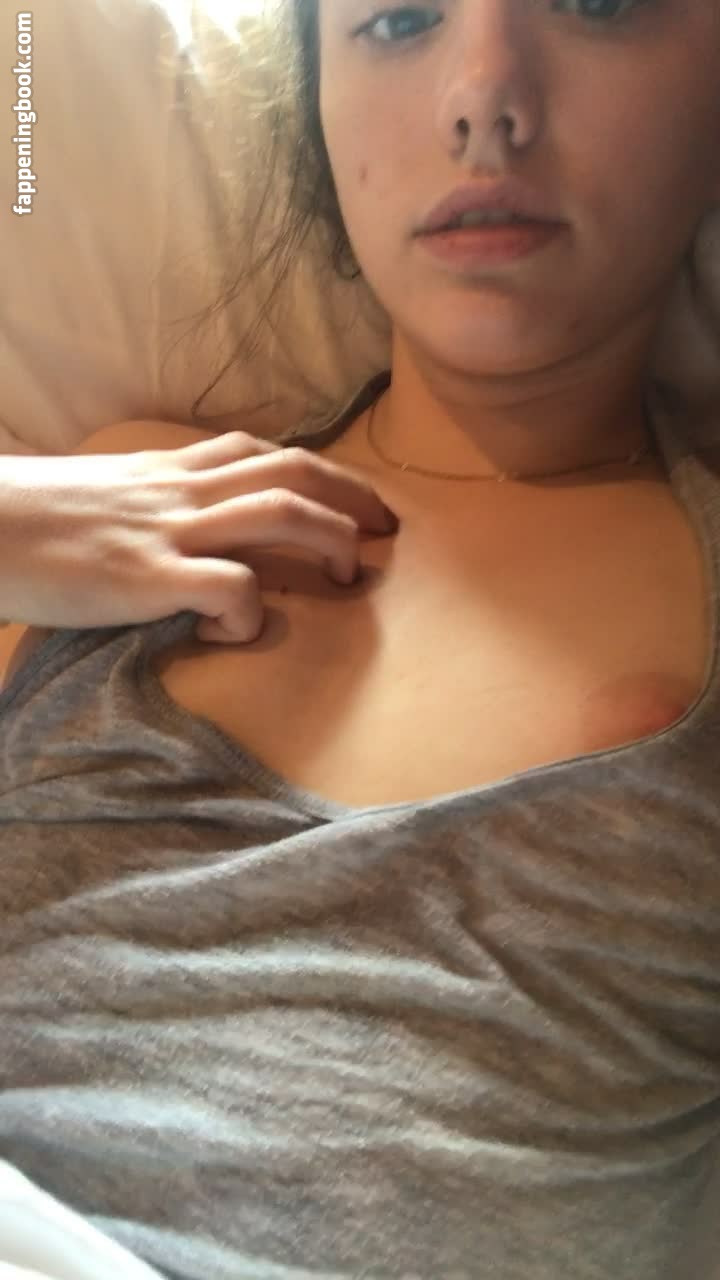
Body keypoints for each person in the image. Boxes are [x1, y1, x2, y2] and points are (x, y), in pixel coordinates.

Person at [1, 0, 720, 1277]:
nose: (484, 96)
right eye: (398, 20)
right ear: (318, 111)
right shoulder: (127, 497)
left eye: (600, 3)